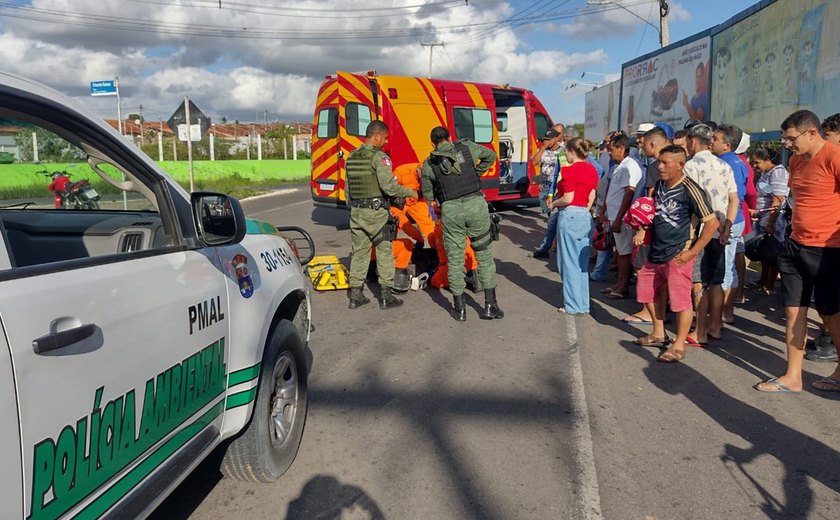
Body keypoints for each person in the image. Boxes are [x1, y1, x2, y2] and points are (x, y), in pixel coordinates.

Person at [756, 110, 840, 392]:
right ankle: (793, 377)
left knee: (830, 314)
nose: (787, 143)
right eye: (785, 138)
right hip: (795, 246)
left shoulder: (834, 156)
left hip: (828, 250)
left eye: (791, 138)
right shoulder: (794, 161)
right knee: (793, 311)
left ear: (812, 133)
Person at [633, 145, 718, 362]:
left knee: (680, 302)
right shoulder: (660, 185)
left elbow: (711, 223)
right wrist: (643, 229)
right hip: (656, 251)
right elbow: (653, 212)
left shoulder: (691, 189)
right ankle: (658, 333)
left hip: (678, 254)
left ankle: (678, 345)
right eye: (659, 162)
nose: (660, 166)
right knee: (646, 292)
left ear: (680, 165)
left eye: (665, 163)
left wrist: (692, 252)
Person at [420, 126, 501, 321]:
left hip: (451, 210)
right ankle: (490, 305)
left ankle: (459, 308)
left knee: (454, 259)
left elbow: (429, 197)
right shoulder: (467, 148)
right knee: (484, 255)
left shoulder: (429, 164)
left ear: (432, 144)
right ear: (450, 137)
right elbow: (491, 156)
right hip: (475, 204)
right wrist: (476, 173)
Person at [346, 120, 418, 310]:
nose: (385, 142)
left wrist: (354, 209)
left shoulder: (351, 157)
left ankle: (356, 295)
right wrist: (410, 192)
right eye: (385, 138)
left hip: (356, 212)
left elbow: (347, 190)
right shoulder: (380, 158)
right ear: (377, 135)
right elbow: (388, 186)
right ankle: (386, 296)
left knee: (359, 253)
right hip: (376, 212)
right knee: (385, 251)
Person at [683, 123, 740, 347]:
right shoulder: (724, 165)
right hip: (720, 230)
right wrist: (727, 226)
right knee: (716, 282)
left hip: (700, 231)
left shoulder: (691, 166)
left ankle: (700, 331)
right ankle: (715, 327)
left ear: (692, 141)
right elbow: (734, 199)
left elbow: (690, 204)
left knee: (698, 282)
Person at [623, 126, 671, 324]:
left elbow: (651, 201)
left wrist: (643, 229)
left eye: (643, 143)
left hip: (652, 228)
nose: (641, 147)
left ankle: (648, 311)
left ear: (653, 143)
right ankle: (661, 310)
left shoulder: (656, 166)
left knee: (645, 269)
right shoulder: (678, 162)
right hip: (670, 227)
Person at [550, 137, 599, 314]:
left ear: (571, 151)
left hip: (570, 214)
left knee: (568, 263)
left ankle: (572, 305)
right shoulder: (592, 170)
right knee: (581, 264)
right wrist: (583, 210)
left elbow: (568, 198)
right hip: (584, 215)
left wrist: (554, 203)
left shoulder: (569, 171)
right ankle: (583, 304)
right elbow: (592, 195)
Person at [711, 124, 749, 326]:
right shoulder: (737, 161)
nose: (711, 141)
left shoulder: (726, 164)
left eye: (715, 139)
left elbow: (736, 197)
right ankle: (723, 312)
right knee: (727, 266)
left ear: (727, 144)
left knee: (724, 268)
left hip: (728, 221)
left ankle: (724, 312)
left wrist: (726, 223)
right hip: (732, 220)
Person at [599, 133, 643, 299]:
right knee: (620, 253)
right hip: (614, 216)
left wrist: (618, 218)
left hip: (623, 219)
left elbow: (628, 194)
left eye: (612, 149)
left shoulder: (629, 166)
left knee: (624, 254)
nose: (609, 153)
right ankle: (619, 283)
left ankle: (623, 286)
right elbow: (613, 192)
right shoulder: (619, 166)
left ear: (621, 148)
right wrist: (604, 211)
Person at [747, 146, 788, 295]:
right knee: (765, 252)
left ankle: (770, 283)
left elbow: (777, 200)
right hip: (763, 218)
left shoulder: (778, 173)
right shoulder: (767, 172)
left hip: (774, 220)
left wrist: (771, 223)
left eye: (757, 162)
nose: (755, 166)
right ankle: (763, 279)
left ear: (768, 160)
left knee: (773, 253)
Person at [531, 125, 566, 259]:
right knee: (551, 218)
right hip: (545, 189)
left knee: (553, 220)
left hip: (557, 189)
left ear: (555, 140)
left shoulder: (563, 151)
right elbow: (534, 162)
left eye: (548, 139)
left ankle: (546, 247)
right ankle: (553, 242)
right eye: (544, 139)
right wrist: (542, 148)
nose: (546, 141)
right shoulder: (544, 150)